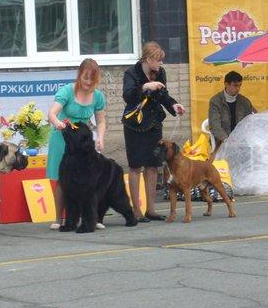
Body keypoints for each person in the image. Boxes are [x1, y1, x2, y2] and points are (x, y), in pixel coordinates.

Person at [122, 41, 186, 222]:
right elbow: (127, 96)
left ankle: (151, 209)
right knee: (135, 166)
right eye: (158, 60)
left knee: (152, 166)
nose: (161, 64)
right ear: (148, 59)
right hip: (135, 124)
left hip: (154, 124)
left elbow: (163, 95)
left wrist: (174, 105)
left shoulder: (160, 73)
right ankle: (136, 211)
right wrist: (145, 87)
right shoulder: (132, 73)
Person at [46, 58, 107, 230]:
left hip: (83, 142)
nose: (88, 83)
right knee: (61, 179)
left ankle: (91, 217)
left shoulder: (98, 96)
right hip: (63, 139)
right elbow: (52, 113)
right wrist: (57, 123)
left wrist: (100, 138)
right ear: (79, 75)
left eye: (92, 80)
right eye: (85, 78)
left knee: (88, 180)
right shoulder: (66, 91)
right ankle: (59, 218)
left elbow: (101, 121)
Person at [207, 70, 255, 145]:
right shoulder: (215, 101)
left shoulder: (245, 102)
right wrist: (227, 140)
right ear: (226, 84)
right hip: (221, 142)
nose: (238, 88)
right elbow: (215, 126)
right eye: (235, 85)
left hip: (241, 141)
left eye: (240, 85)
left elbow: (250, 122)